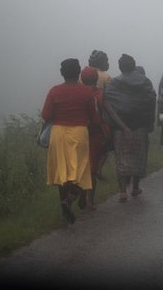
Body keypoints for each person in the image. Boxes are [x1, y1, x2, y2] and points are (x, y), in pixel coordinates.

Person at [41, 58, 100, 224]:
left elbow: (46, 115)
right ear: (79, 73)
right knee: (81, 170)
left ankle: (64, 209)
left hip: (58, 134)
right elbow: (94, 119)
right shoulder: (86, 92)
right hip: (79, 133)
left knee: (63, 172)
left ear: (62, 73)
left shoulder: (54, 91)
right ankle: (69, 199)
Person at [104, 54, 157, 202]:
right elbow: (151, 100)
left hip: (120, 128)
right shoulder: (145, 82)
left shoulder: (114, 84)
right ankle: (135, 187)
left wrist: (120, 125)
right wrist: (150, 123)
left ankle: (122, 192)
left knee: (121, 158)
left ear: (120, 67)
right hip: (140, 126)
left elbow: (108, 105)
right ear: (134, 66)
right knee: (139, 157)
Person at [78, 66, 112, 212]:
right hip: (96, 134)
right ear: (96, 79)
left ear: (82, 79)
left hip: (78, 133)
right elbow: (106, 113)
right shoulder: (99, 94)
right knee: (92, 167)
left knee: (80, 165)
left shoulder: (78, 94)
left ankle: (77, 195)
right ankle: (90, 201)